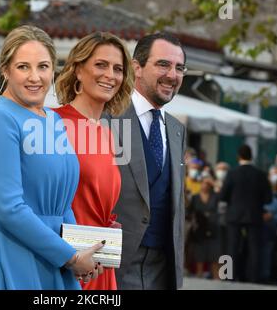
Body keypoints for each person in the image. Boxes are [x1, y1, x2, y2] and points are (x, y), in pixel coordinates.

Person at [0, 25, 104, 290]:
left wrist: (82, 252)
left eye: (43, 67)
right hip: (3, 260)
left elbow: (62, 203)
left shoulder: (53, 119)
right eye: (23, 67)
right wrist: (70, 257)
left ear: (53, 70)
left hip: (50, 260)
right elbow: (8, 208)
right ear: (5, 70)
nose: (35, 77)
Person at [54, 32, 134, 290]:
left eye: (118, 69)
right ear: (78, 70)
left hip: (100, 263)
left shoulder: (109, 135)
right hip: (66, 263)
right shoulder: (53, 124)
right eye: (101, 65)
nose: (110, 75)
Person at [109, 32, 187, 289]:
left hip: (162, 270)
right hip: (114, 265)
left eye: (179, 67)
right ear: (137, 67)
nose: (172, 75)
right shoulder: (106, 117)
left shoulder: (177, 130)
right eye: (163, 64)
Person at [219, 144, 273, 283]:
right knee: (254, 248)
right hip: (254, 215)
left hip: (234, 215)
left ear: (238, 156)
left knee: (231, 247)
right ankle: (253, 279)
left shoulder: (232, 173)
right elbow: (269, 198)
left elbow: (223, 196)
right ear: (251, 156)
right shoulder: (260, 174)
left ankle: (228, 277)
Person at [187, 176, 221, 279]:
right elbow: (189, 212)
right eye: (203, 183)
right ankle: (199, 276)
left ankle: (216, 278)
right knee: (199, 255)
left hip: (214, 228)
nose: (205, 185)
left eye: (207, 183)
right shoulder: (195, 197)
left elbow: (224, 196)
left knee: (215, 255)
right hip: (199, 231)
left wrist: (214, 183)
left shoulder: (216, 196)